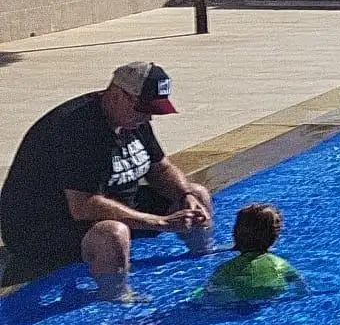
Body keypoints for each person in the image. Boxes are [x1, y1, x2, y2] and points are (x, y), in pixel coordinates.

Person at [0, 62, 215, 301]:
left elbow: (161, 169)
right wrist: (160, 223)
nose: (148, 117)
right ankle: (116, 298)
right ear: (116, 94)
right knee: (113, 234)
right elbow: (84, 207)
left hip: (109, 202)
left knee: (197, 194)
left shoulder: (132, 119)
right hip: (43, 228)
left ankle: (205, 259)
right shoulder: (77, 129)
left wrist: (184, 195)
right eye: (142, 109)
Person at [201, 203, 304, 302]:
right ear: (275, 236)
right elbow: (302, 289)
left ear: (235, 234)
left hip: (235, 300)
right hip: (270, 297)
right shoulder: (280, 265)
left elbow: (207, 294)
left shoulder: (224, 270)